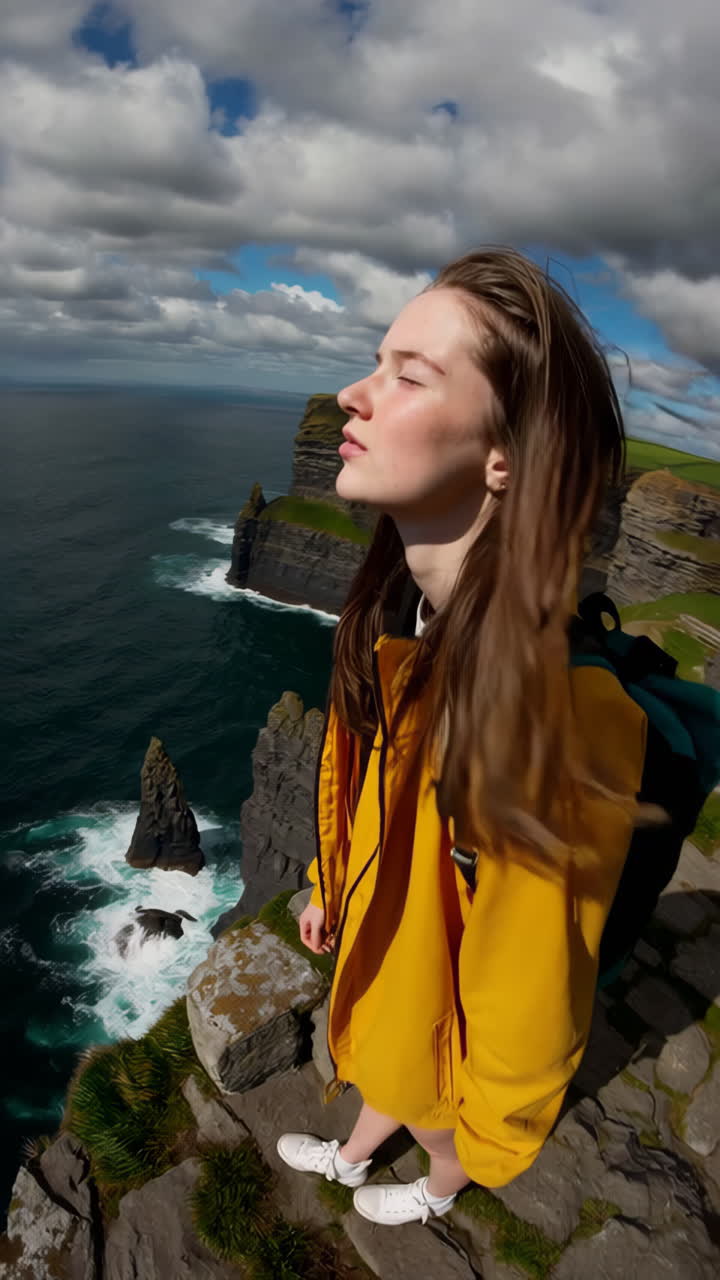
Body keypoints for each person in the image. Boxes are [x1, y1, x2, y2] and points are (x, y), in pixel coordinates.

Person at [276, 247, 647, 1227]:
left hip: (434, 1011)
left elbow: (530, 1001)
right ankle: (356, 1153)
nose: (353, 394)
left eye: (410, 375)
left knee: (431, 1106)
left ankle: (441, 1187)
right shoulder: (396, 618)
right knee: (387, 1063)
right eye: (376, 362)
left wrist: (486, 1140)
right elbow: (367, 794)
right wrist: (326, 885)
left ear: (503, 456)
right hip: (388, 962)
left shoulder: (555, 721)